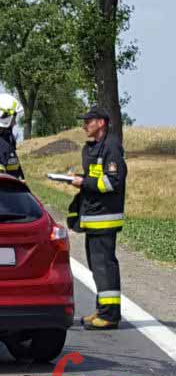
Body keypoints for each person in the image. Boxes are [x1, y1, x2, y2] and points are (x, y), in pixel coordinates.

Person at [71, 106, 127, 330]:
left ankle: (110, 316)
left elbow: (112, 182)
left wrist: (83, 183)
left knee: (104, 267)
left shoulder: (111, 147)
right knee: (97, 267)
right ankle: (103, 309)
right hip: (94, 216)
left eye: (89, 121)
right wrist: (79, 178)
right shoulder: (95, 148)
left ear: (101, 123)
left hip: (105, 218)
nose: (85, 125)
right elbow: (97, 176)